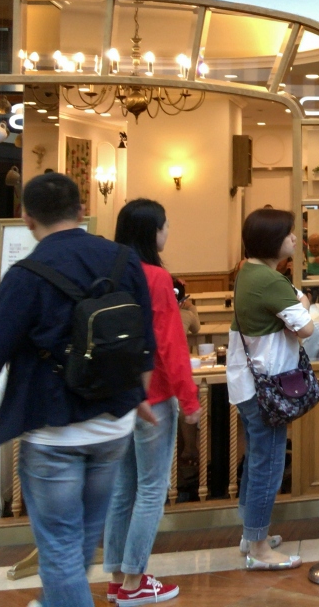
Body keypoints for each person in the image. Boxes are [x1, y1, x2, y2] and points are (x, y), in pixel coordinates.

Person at [0, 174, 155, 607]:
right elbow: (144, 340)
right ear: (81, 209)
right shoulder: (123, 260)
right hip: (114, 425)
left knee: (60, 549)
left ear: (26, 217)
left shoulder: (25, 275)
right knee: (78, 545)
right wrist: (140, 396)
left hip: (53, 429)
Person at [103, 199, 202, 605]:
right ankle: (134, 582)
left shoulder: (108, 273)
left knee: (122, 490)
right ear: (151, 232)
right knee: (150, 490)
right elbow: (170, 345)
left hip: (116, 397)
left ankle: (117, 578)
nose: (168, 231)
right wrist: (190, 399)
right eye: (164, 225)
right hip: (154, 396)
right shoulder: (157, 277)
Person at [228, 208, 315, 571]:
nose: (295, 238)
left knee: (256, 461)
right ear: (271, 240)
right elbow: (306, 327)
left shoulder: (248, 272)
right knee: (268, 465)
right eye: (288, 233)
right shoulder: (270, 280)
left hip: (247, 383)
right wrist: (303, 303)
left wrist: (295, 307)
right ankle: (259, 549)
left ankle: (251, 534)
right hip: (267, 386)